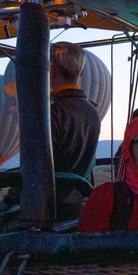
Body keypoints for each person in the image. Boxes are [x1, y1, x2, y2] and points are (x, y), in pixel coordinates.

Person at [49, 42, 102, 181]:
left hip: (50, 198)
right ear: (82, 72)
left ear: (51, 71)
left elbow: (38, 165)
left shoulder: (51, 112)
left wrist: (9, 199)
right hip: (80, 195)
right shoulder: (93, 111)